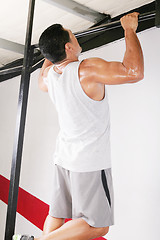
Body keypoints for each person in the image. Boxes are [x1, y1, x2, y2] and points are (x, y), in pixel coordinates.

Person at [13, 11, 144, 240]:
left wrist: (50, 53)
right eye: (73, 35)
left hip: (63, 157)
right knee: (99, 226)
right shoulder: (86, 70)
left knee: (58, 213)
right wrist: (129, 30)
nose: (76, 37)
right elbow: (134, 72)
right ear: (68, 48)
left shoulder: (48, 79)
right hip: (89, 162)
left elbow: (45, 69)